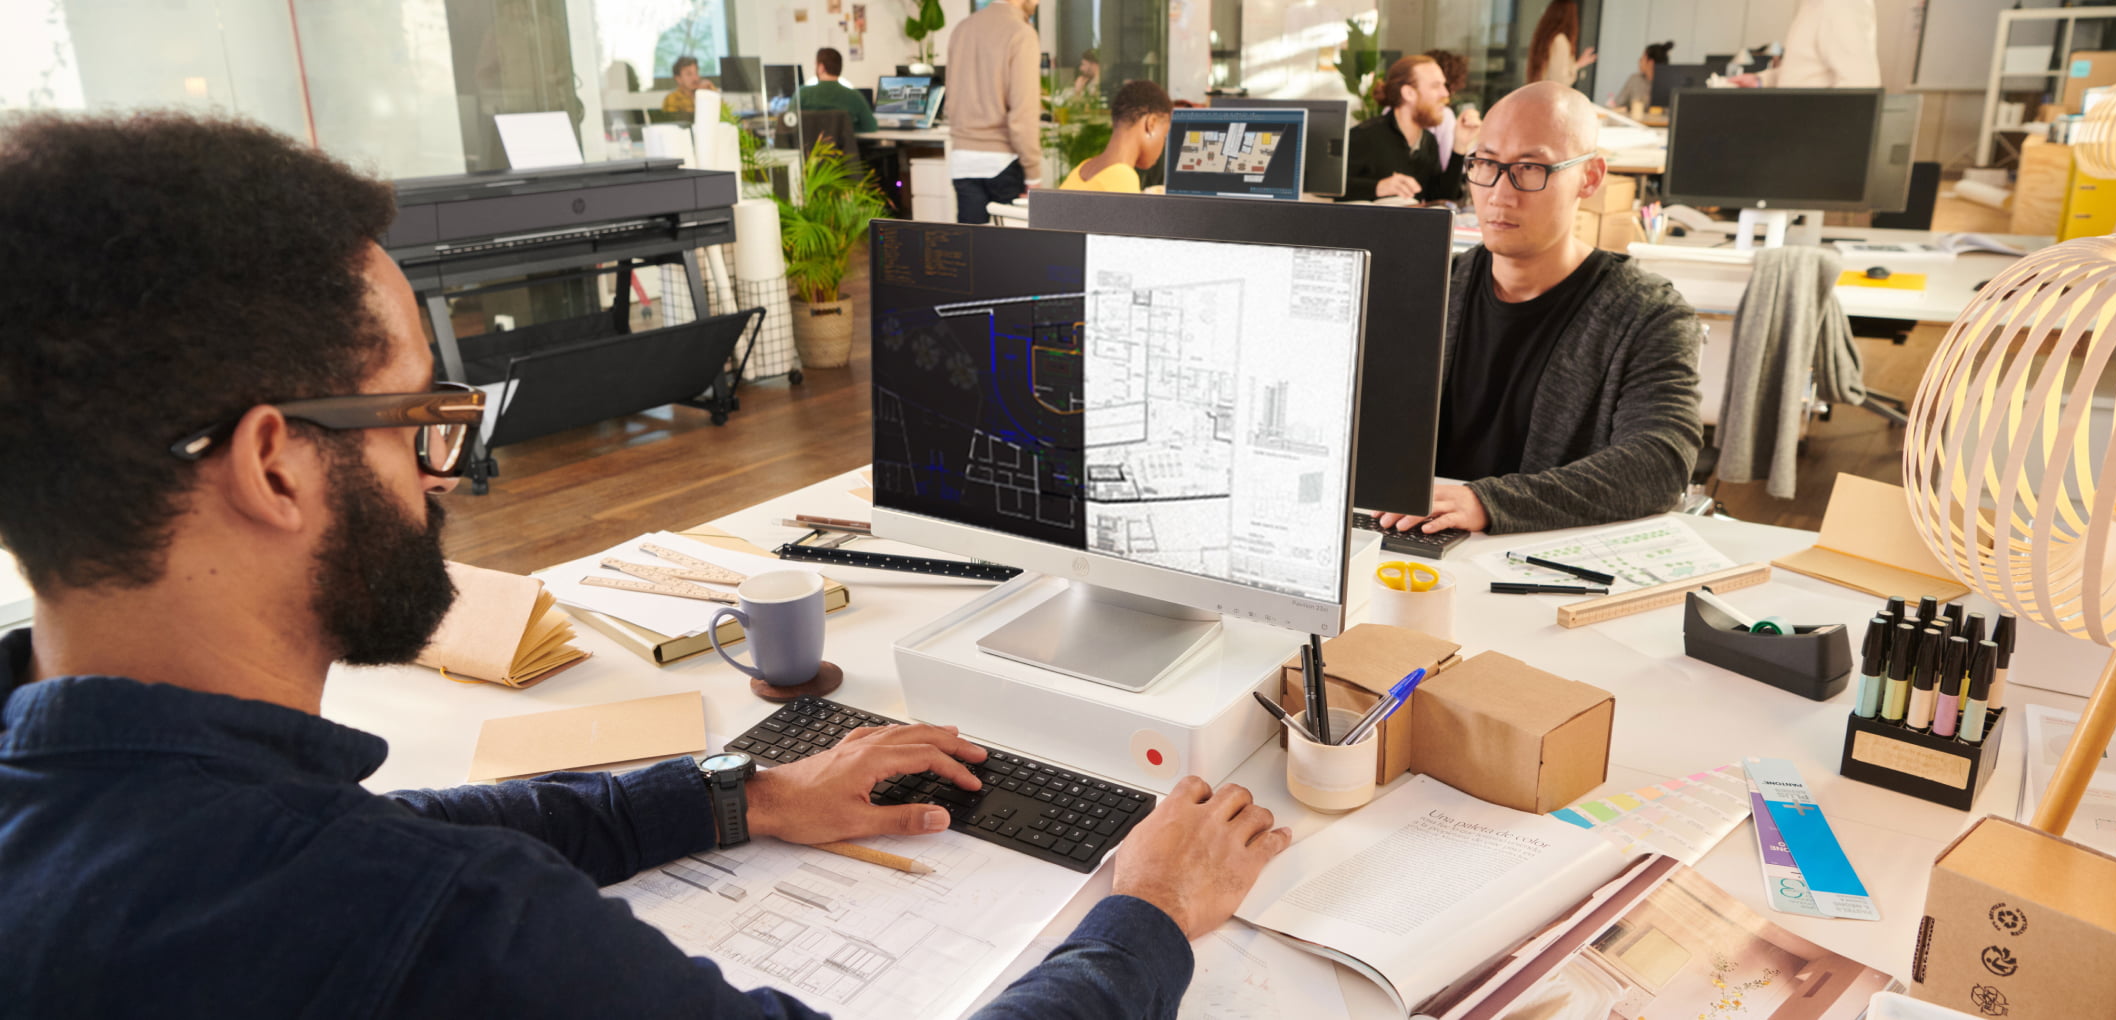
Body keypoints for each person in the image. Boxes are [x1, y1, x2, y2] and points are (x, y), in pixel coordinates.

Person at [0, 111, 1293, 1017]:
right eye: (419, 419)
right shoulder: (429, 928)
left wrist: (737, 797)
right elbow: (403, 884)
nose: (441, 476)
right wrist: (1145, 920)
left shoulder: (90, 810)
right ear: (274, 467)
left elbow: (381, 832)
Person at [1375, 83, 1702, 536]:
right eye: (1486, 164)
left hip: (1541, 553)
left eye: (1530, 168)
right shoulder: (1431, 288)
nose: (1499, 194)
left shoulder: (1648, 314)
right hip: (1412, 538)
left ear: (1590, 177)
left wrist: (1489, 502)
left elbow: (1661, 462)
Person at [947, 0, 1045, 223]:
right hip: (1003, 162)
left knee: (973, 243)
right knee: (1010, 244)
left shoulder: (962, 29)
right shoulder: (1021, 33)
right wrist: (1033, 175)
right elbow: (1023, 114)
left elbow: (951, 99)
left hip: (963, 161)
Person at [1340, 54, 1480, 204]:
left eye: (1443, 85)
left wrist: (1459, 147)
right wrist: (1377, 187)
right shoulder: (1365, 136)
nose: (1445, 93)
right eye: (1435, 86)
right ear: (1409, 93)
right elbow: (1328, 186)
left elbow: (1440, 198)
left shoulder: (1428, 141)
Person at [1732, 0, 1879, 88]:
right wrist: (1763, 80)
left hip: (1811, 126)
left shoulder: (1841, 4)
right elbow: (1806, 70)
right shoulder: (1812, 5)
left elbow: (1861, 84)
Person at [1060, 80, 1172, 193]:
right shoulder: (1123, 178)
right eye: (1164, 136)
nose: (1162, 146)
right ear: (1151, 124)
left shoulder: (1081, 169)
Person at [795, 46, 876, 135]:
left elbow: (788, 122)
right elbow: (871, 127)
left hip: (810, 144)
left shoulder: (802, 94)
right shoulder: (854, 96)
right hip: (843, 144)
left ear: (821, 67)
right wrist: (847, 128)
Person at [1526, 0, 1597, 86]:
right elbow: (1559, 81)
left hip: (1539, 91)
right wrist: (1577, 65)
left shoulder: (1544, 39)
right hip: (1550, 93)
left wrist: (1578, 64)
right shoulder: (1560, 40)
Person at [1610, 41, 1673, 111]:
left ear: (1651, 62)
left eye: (1642, 58)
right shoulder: (1635, 79)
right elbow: (1617, 104)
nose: (1639, 61)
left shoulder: (1669, 86)